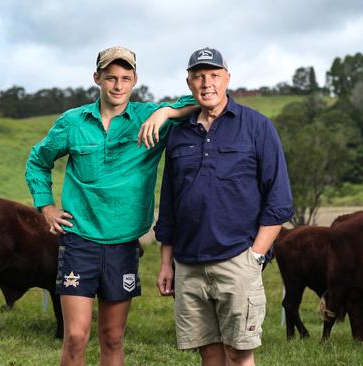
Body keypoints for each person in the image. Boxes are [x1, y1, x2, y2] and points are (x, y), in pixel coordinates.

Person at [25, 45, 197, 366]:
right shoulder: (73, 122)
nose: (118, 86)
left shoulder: (148, 118)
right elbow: (38, 161)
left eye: (125, 78)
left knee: (113, 338)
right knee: (76, 336)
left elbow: (198, 99)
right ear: (97, 79)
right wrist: (45, 206)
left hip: (123, 244)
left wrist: (166, 112)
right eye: (110, 78)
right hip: (79, 240)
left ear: (134, 81)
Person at [155, 47, 293, 366]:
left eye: (214, 75)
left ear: (227, 78)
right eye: (199, 76)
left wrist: (255, 256)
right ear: (189, 83)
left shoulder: (257, 127)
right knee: (209, 351)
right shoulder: (178, 134)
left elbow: (279, 199)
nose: (207, 83)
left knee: (240, 352)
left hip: (237, 258)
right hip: (188, 263)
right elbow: (170, 204)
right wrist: (166, 262)